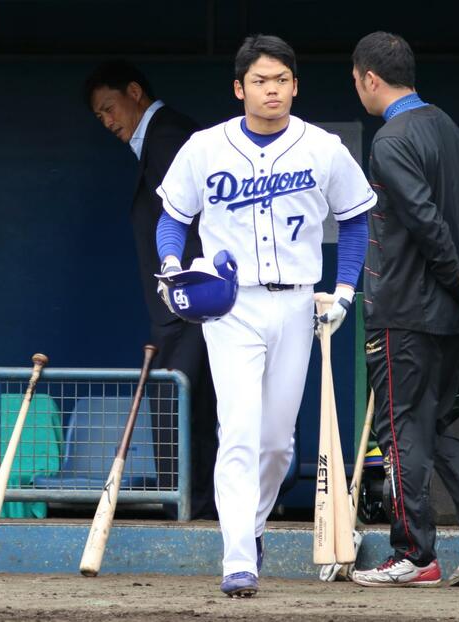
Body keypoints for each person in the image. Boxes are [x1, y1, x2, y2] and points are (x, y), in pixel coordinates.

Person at [155, 35, 376, 597]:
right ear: (239, 88)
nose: (271, 89)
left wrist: (344, 290)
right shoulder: (205, 147)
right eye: (260, 80)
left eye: (281, 79)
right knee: (239, 432)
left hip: (298, 300)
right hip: (230, 304)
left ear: (295, 86)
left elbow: (355, 220)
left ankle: (250, 529)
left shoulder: (321, 148)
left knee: (277, 442)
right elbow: (173, 217)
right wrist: (172, 265)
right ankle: (237, 561)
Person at [349, 31, 459, 588]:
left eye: (357, 80)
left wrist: (454, 272)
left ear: (370, 78)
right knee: (432, 425)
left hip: (403, 311)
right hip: (452, 310)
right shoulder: (446, 126)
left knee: (398, 434)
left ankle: (415, 556)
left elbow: (421, 217)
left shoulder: (390, 138)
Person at [83, 60, 218, 520]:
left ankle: (190, 508)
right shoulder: (162, 135)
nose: (107, 121)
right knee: (185, 405)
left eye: (109, 107)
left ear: (135, 91)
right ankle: (193, 506)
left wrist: (184, 283)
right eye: (99, 116)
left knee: (176, 405)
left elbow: (188, 216)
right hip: (184, 307)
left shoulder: (166, 134)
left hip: (188, 305)